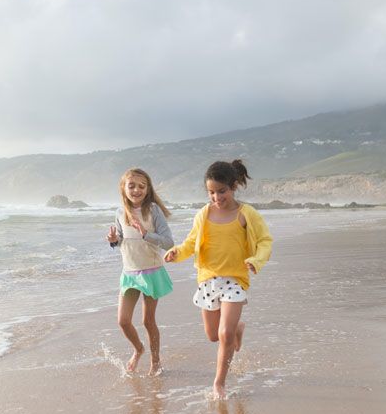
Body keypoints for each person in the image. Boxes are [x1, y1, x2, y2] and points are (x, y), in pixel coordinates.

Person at [164, 160, 272, 399]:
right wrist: (176, 253)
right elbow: (191, 243)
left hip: (235, 280)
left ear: (234, 186)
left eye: (221, 191)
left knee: (224, 335)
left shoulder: (246, 214)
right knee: (214, 335)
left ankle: (219, 383)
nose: (216, 197)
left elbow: (265, 241)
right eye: (211, 192)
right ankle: (237, 329)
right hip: (208, 280)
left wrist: (256, 260)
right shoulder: (204, 214)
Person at [106, 168, 175, 376]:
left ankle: (156, 360)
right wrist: (113, 241)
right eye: (131, 185)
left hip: (151, 272)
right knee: (123, 321)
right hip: (129, 273)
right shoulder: (120, 213)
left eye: (141, 186)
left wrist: (146, 234)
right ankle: (139, 349)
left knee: (147, 321)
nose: (136, 190)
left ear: (147, 189)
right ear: (123, 188)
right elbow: (121, 240)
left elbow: (168, 242)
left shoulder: (153, 211)